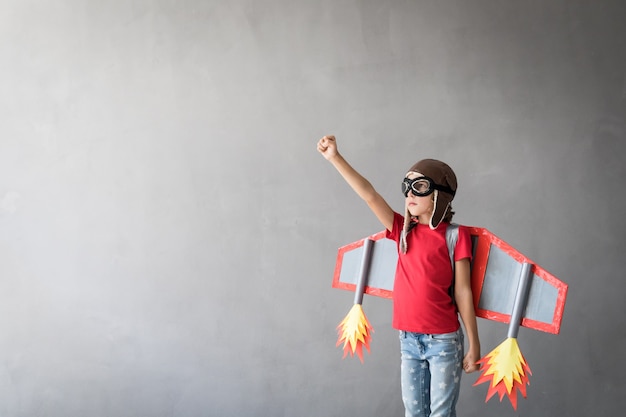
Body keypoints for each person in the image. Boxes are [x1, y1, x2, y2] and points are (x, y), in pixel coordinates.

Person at [317, 135, 480, 417]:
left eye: (419, 187)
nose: (410, 195)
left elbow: (463, 291)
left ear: (439, 194)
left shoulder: (455, 236)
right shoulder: (402, 231)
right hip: (408, 340)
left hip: (443, 342)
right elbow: (369, 195)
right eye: (407, 188)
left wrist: (474, 344)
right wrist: (335, 157)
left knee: (441, 414)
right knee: (414, 413)